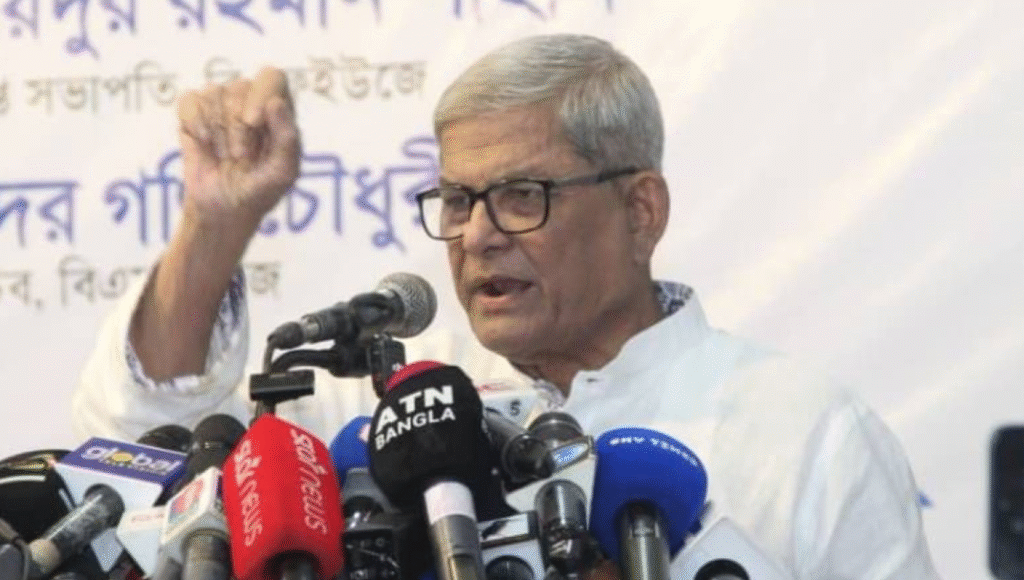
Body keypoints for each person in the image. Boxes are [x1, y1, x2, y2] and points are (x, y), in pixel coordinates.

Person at [74, 34, 940, 579]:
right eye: (458, 199)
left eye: (523, 195)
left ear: (641, 211)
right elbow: (146, 447)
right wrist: (213, 228)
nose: (478, 236)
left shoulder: (807, 434)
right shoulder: (389, 417)